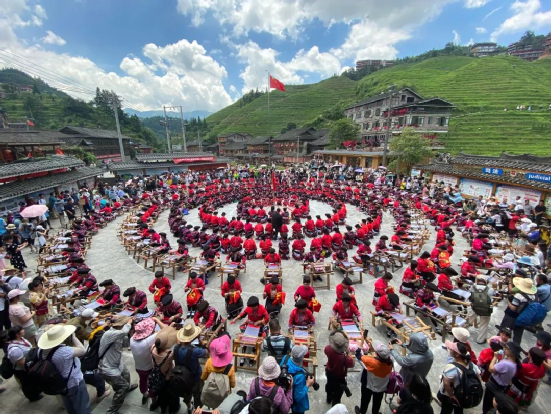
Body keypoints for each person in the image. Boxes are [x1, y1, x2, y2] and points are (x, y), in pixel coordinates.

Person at [37, 324, 91, 414]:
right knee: (83, 407)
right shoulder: (64, 351)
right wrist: (73, 337)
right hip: (74, 382)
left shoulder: (41, 351)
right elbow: (82, 350)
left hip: (59, 383)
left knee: (69, 406)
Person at [99, 316, 138, 414]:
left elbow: (126, 345)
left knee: (126, 373)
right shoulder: (109, 333)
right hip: (106, 367)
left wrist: (131, 332)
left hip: (116, 362)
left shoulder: (120, 334)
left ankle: (127, 388)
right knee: (122, 387)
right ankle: (111, 411)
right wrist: (129, 323)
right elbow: (124, 331)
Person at [437, 341, 481, 414]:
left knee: (446, 410)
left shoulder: (451, 368)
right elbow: (479, 379)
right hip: (463, 394)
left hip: (449, 395)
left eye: (451, 349)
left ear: (457, 354)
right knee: (459, 409)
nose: (450, 349)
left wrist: (452, 395)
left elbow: (446, 384)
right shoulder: (472, 366)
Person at [130, 318, 165, 406]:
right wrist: (157, 320)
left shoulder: (132, 339)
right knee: (152, 383)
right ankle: (153, 400)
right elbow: (165, 329)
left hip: (138, 367)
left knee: (142, 380)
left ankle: (145, 394)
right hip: (149, 368)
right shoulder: (147, 342)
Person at [174, 323, 208, 412]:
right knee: (198, 396)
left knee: (186, 395)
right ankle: (197, 410)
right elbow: (206, 352)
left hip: (182, 378)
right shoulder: (195, 351)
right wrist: (200, 340)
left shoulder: (176, 348)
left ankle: (189, 408)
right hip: (195, 378)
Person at [354, 339, 393, 414]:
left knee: (365, 400)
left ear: (377, 354)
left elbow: (358, 355)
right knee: (377, 403)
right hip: (381, 387)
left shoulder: (371, 362)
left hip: (368, 385)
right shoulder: (390, 361)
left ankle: (362, 412)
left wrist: (359, 347)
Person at [482, 341, 522, 414]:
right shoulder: (514, 363)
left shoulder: (505, 363)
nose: (504, 348)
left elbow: (491, 369)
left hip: (494, 386)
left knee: (487, 406)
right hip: (502, 387)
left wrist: (495, 357)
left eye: (507, 348)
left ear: (512, 352)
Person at [6, 325, 43, 402]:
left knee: (33, 381)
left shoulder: (22, 339)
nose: (24, 330)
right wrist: (30, 370)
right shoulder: (14, 350)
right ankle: (33, 397)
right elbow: (22, 364)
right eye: (22, 330)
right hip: (23, 370)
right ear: (17, 334)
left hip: (29, 364)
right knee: (28, 384)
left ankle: (37, 390)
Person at [201, 334, 236, 408]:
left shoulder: (209, 362)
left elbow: (203, 377)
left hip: (211, 394)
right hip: (224, 395)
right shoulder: (230, 368)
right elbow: (233, 385)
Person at [499, 277, 537, 345]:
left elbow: (513, 308)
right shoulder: (533, 296)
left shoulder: (519, 296)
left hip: (512, 317)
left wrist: (508, 301)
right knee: (518, 336)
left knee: (503, 333)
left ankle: (498, 346)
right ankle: (515, 349)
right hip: (523, 318)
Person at [151, 326, 179, 414]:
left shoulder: (153, 348)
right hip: (166, 377)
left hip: (156, 374)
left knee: (161, 393)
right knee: (168, 393)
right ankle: (170, 408)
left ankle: (162, 408)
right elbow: (178, 348)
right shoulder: (169, 354)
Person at [281, 345, 315, 414]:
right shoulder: (300, 376)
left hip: (284, 393)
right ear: (302, 358)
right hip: (296, 404)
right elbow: (298, 397)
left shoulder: (285, 358)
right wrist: (308, 384)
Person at [325, 330, 355, 406]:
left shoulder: (328, 349)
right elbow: (352, 364)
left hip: (329, 373)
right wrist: (349, 353)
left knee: (329, 387)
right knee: (337, 394)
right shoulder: (347, 359)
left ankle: (329, 399)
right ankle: (335, 405)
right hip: (340, 378)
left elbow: (325, 351)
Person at [468, 275, 497, 344]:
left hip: (474, 307)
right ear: (486, 282)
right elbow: (495, 295)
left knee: (468, 320)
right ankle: (480, 340)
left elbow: (470, 296)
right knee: (484, 325)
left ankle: (460, 331)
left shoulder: (473, 287)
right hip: (486, 309)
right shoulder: (490, 289)